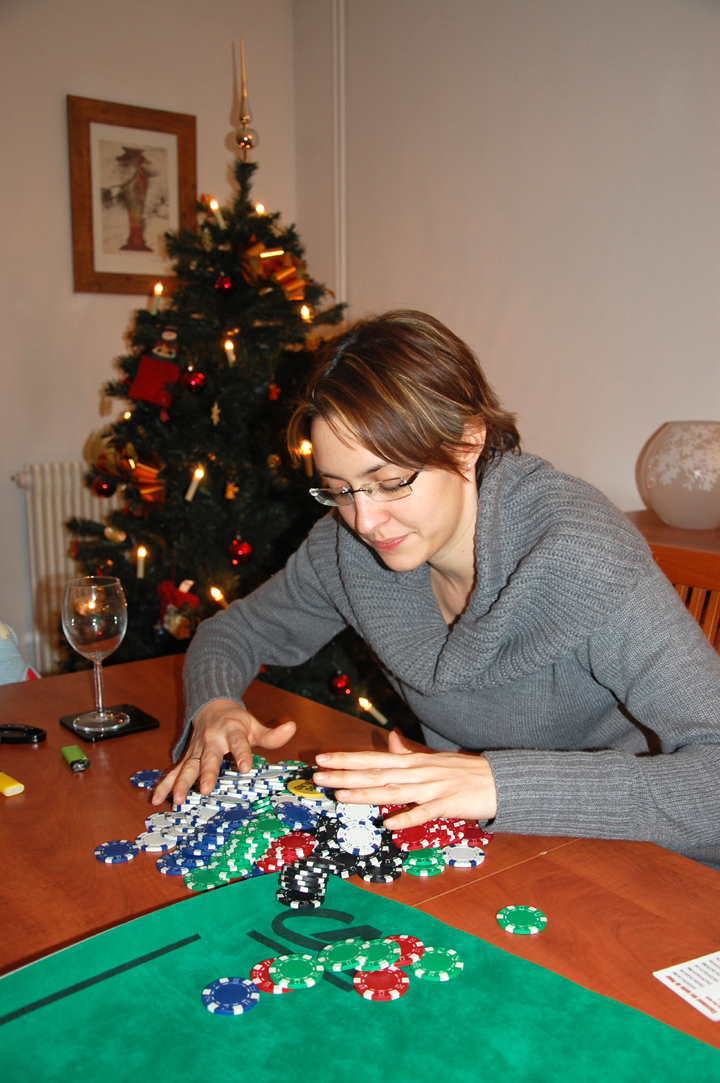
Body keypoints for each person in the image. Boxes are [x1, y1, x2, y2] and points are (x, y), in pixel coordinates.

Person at [153, 310, 720, 870]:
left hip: (646, 862)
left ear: (469, 441)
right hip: (490, 853)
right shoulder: (347, 551)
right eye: (339, 490)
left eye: (389, 482)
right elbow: (233, 632)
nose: (365, 521)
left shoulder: (580, 553)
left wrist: (499, 784)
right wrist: (215, 705)